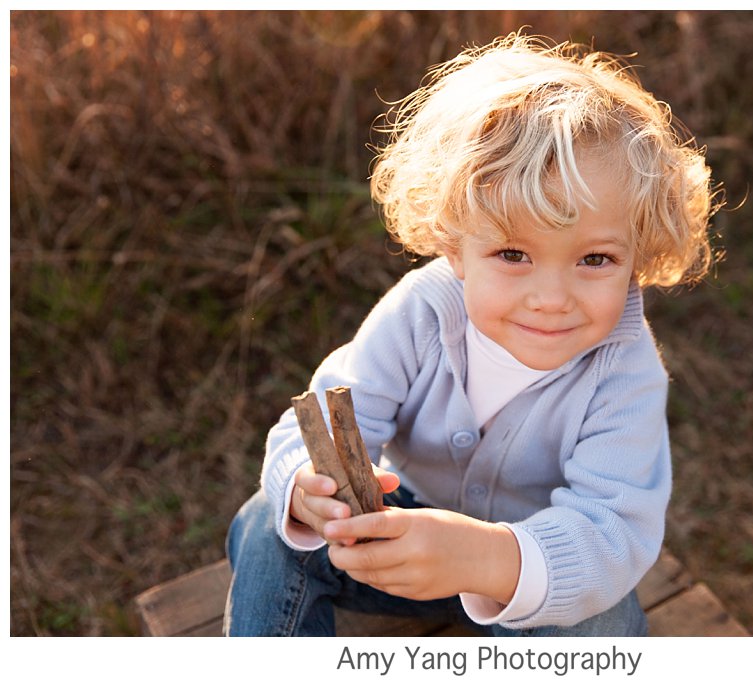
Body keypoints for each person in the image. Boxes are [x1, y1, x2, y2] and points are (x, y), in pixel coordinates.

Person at [224, 32, 718, 636]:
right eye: (514, 253)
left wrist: (486, 559)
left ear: (639, 252)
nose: (552, 298)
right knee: (262, 526)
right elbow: (330, 420)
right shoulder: (422, 313)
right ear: (455, 247)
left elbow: (612, 531)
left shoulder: (624, 373)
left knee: (607, 618)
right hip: (395, 538)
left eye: (595, 260)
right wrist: (311, 490)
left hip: (531, 568)